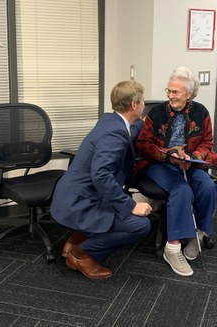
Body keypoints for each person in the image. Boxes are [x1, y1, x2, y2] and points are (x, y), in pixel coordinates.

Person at [50, 80, 152, 280]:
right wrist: (131, 205)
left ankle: (75, 240)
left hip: (71, 193)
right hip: (80, 202)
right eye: (143, 102)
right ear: (134, 104)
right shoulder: (114, 134)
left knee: (117, 207)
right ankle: (81, 254)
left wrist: (144, 122)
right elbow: (101, 176)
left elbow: (129, 133)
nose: (144, 104)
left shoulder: (110, 121)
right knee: (140, 225)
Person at [135, 67, 217, 277]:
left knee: (208, 186)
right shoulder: (156, 113)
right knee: (182, 190)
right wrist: (168, 155)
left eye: (176, 92)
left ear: (189, 94)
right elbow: (143, 144)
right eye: (169, 91)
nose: (170, 95)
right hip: (160, 163)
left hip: (190, 162)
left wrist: (193, 158)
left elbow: (207, 142)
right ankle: (172, 248)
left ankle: (197, 234)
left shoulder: (201, 112)